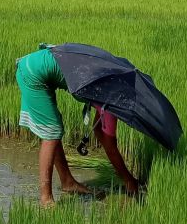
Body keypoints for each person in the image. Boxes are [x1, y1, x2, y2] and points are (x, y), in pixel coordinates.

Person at [16, 47, 139, 207]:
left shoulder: (104, 69)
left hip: (35, 63)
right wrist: (128, 180)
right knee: (52, 132)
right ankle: (46, 200)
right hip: (33, 74)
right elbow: (108, 139)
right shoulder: (111, 95)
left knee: (54, 124)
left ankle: (67, 182)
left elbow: (99, 131)